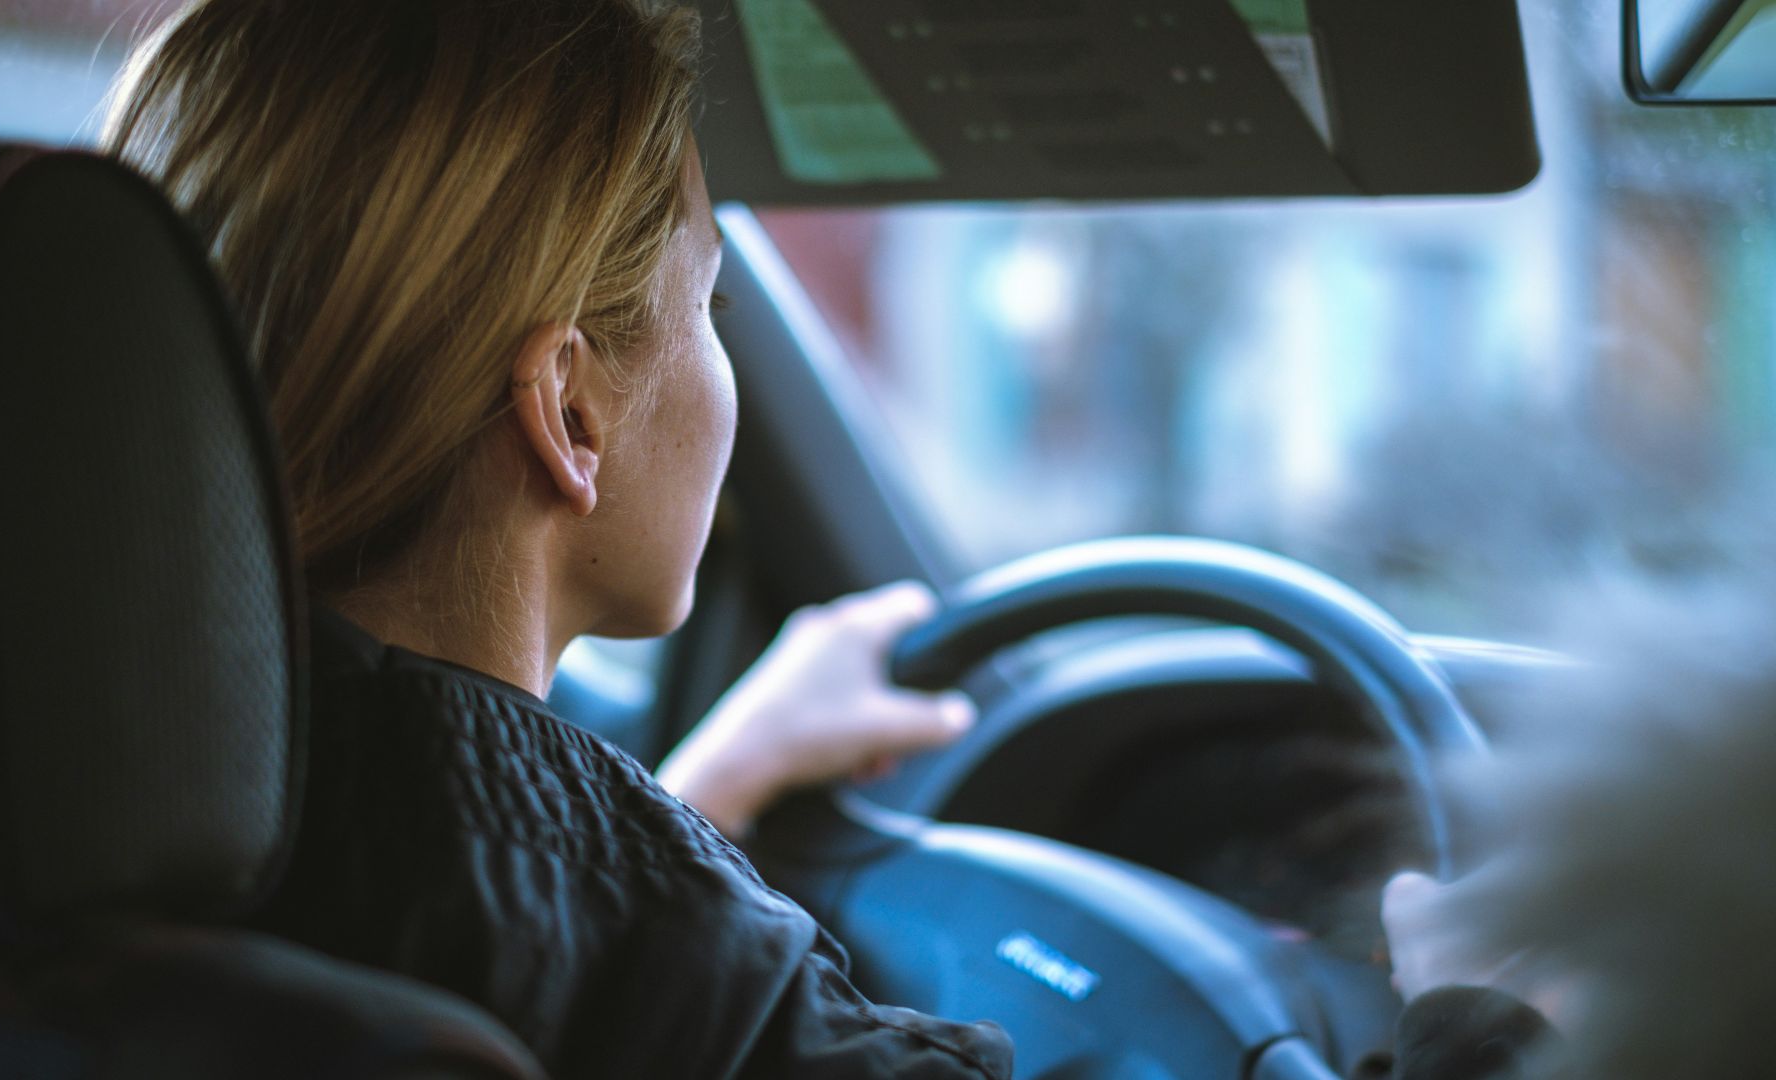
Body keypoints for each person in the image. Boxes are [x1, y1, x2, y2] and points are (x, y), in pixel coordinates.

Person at [103, 1, 1561, 1075]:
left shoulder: (71, 823)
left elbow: (485, 908)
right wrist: (1473, 1027)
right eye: (711, 302)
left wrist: (707, 793)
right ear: (570, 415)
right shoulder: (708, 1001)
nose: (720, 359)